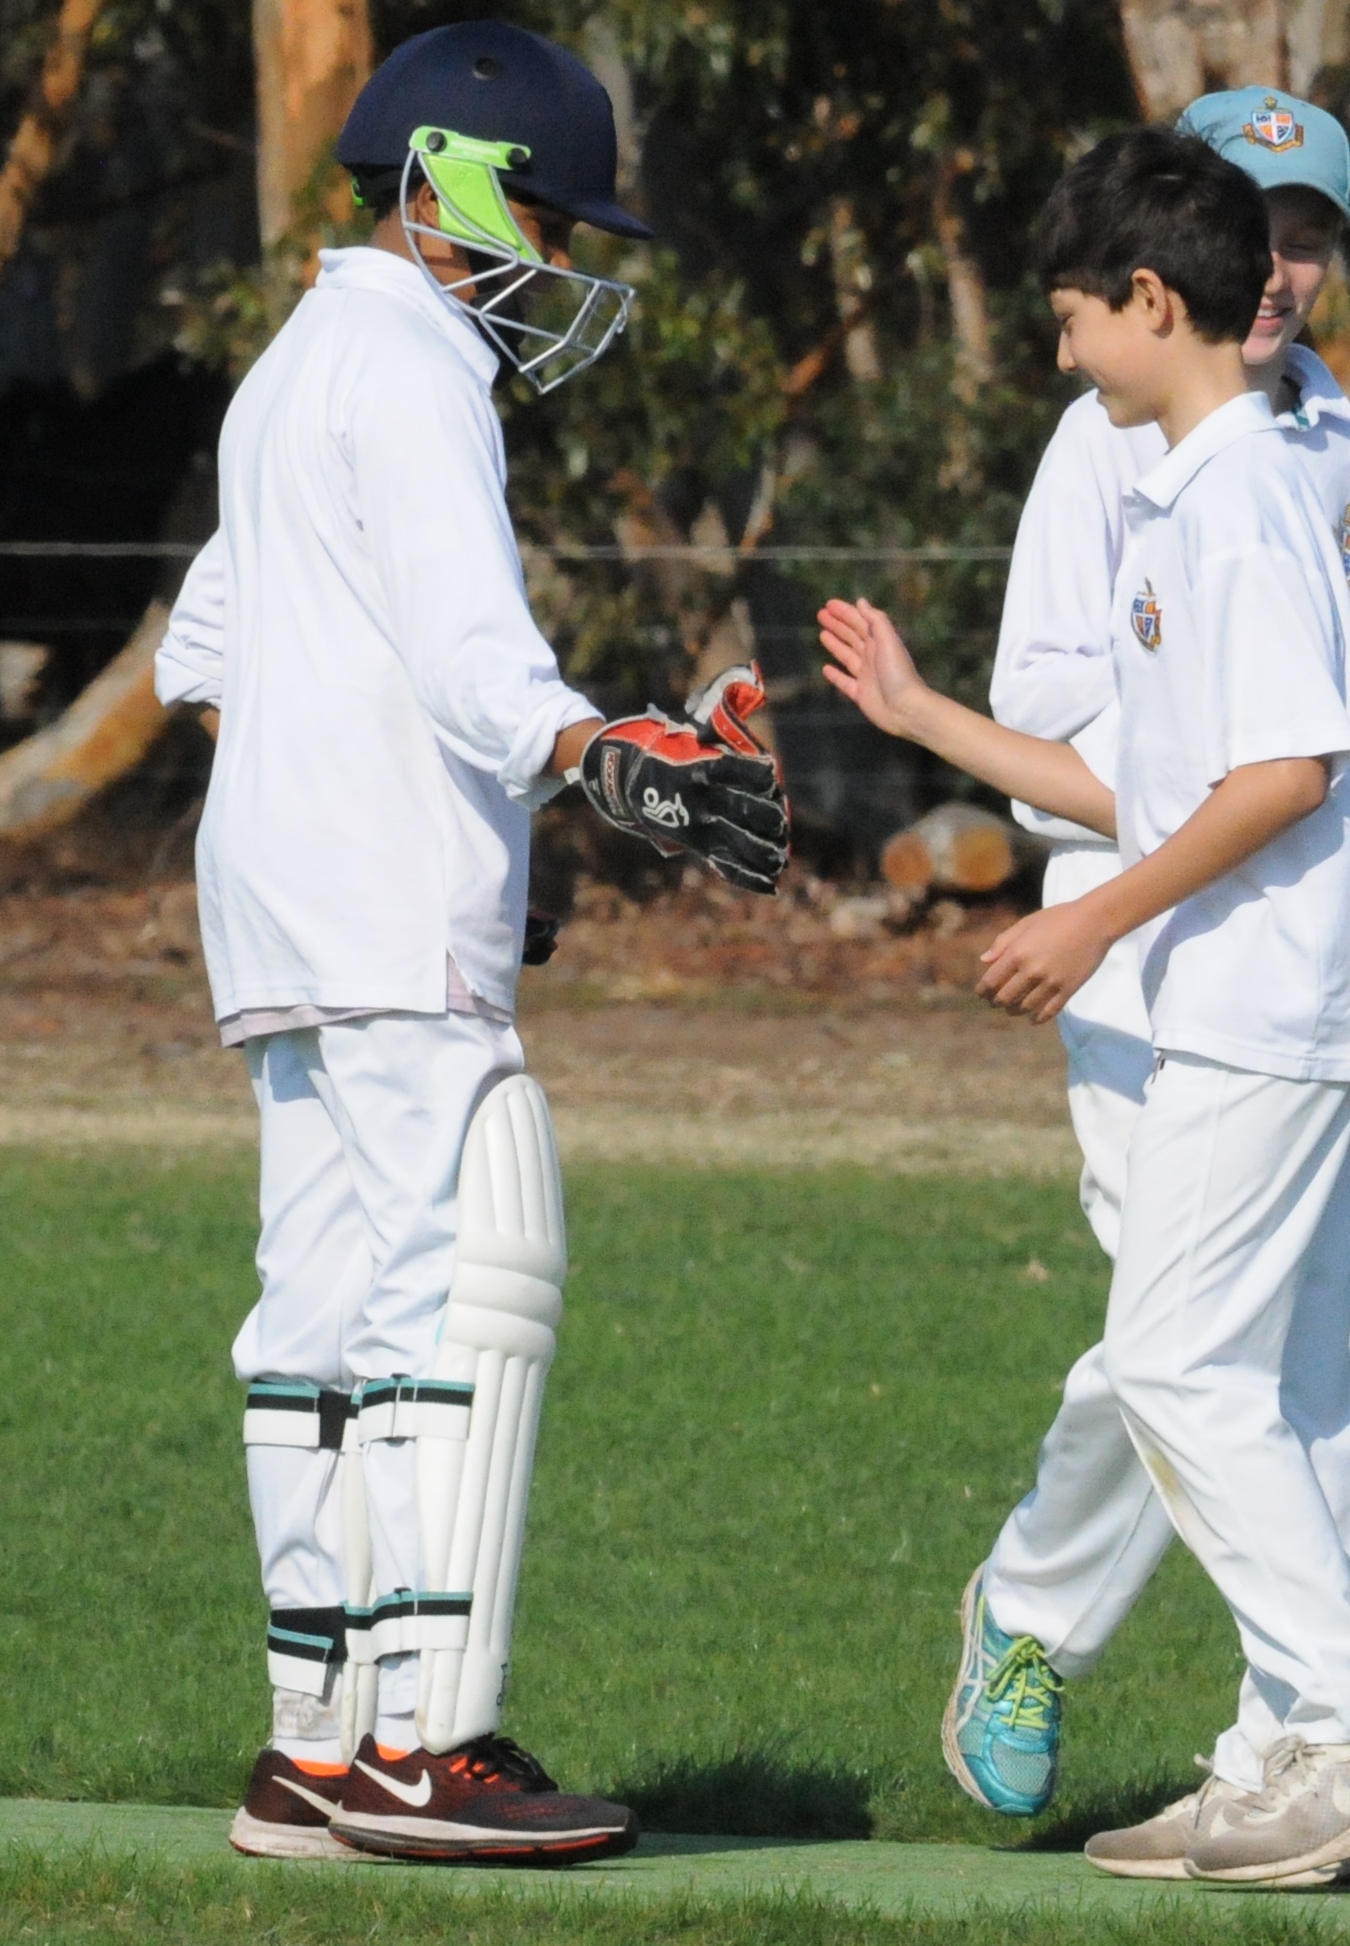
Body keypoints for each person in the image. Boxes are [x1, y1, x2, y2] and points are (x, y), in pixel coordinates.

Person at [156, 20, 788, 1865]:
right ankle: (428, 1749)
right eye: (551, 219)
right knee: (451, 1280)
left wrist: (346, 787)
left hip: (279, 902)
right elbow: (465, 655)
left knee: (319, 1304)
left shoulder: (288, 364)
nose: (565, 263)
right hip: (383, 913)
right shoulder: (417, 366)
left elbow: (211, 651)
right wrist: (599, 750)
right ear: (446, 187)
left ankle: (313, 1741)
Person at [819, 126, 1350, 1888]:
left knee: (1189, 1361)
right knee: (1214, 1365)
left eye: (1066, 316)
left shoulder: (1252, 489)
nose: (1052, 353)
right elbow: (1157, 768)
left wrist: (1095, 920)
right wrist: (921, 717)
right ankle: (1291, 1754)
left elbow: (1288, 770)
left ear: (1141, 297)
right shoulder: (1192, 474)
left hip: (1263, 999)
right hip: (1239, 995)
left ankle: (1346, 1723)